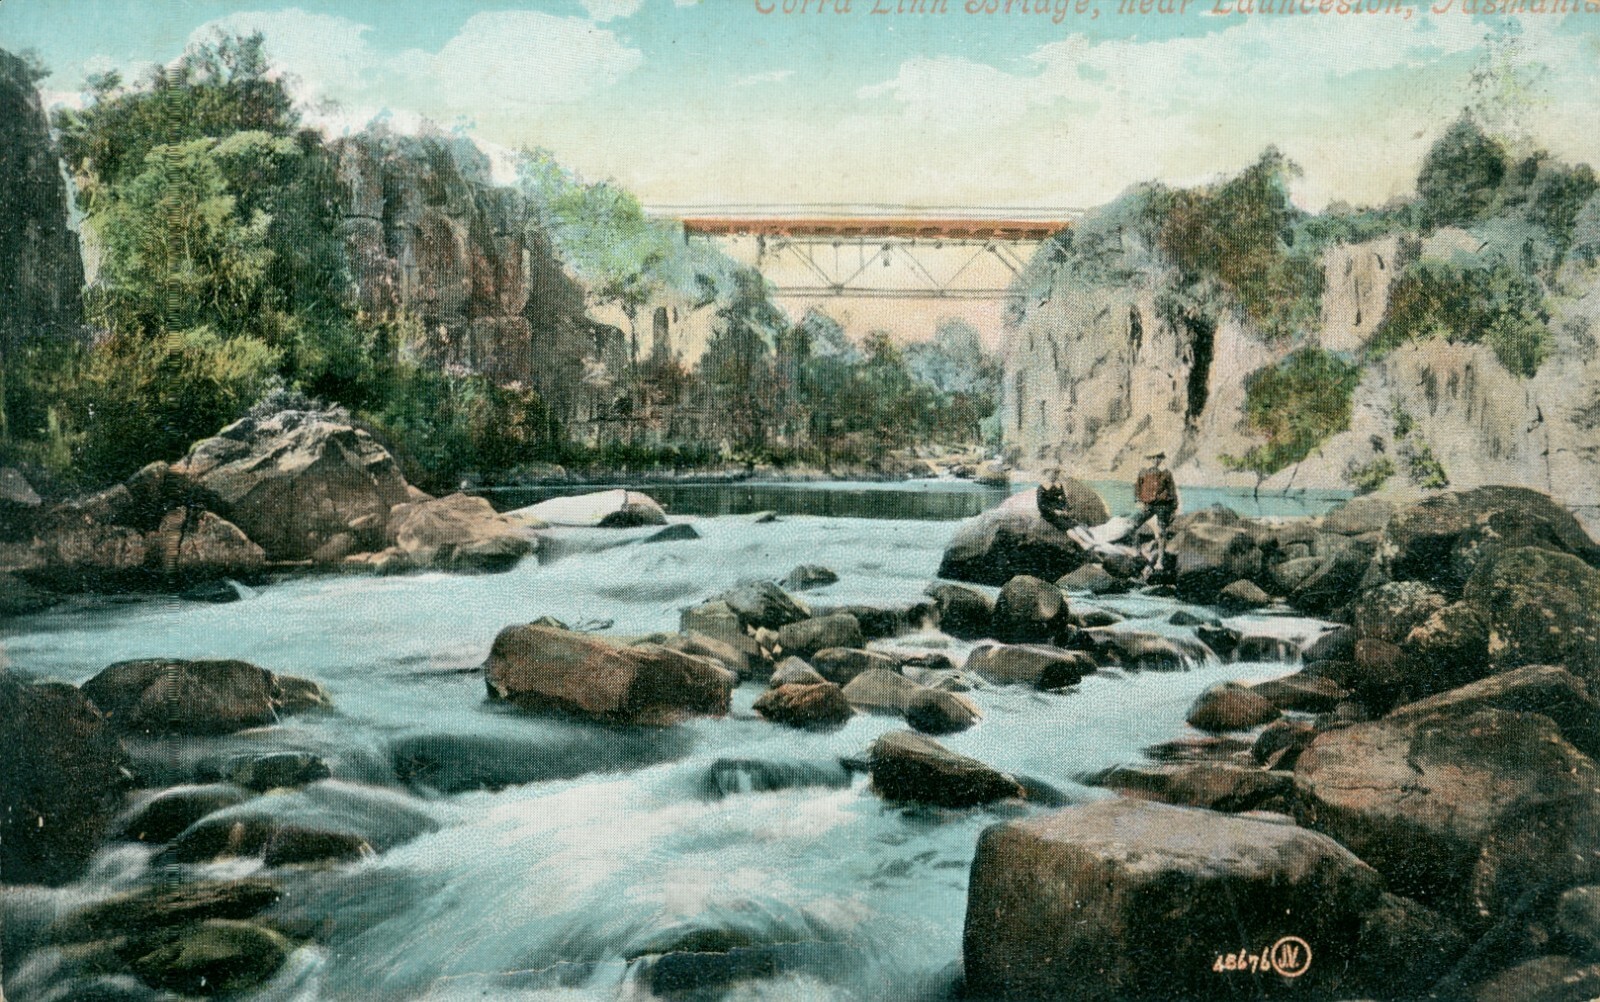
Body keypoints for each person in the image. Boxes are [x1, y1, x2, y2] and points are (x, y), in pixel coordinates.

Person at [1129, 452, 1179, 547]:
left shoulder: (1166, 473)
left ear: (1161, 459)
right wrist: (1139, 501)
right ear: (1150, 459)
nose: (1156, 460)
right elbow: (1137, 488)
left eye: (1159, 458)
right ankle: (1136, 550)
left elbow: (1172, 491)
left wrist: (1173, 509)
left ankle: (1160, 559)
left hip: (1163, 505)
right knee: (1133, 524)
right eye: (1154, 458)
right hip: (1148, 505)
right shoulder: (1143, 472)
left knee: (1161, 531)